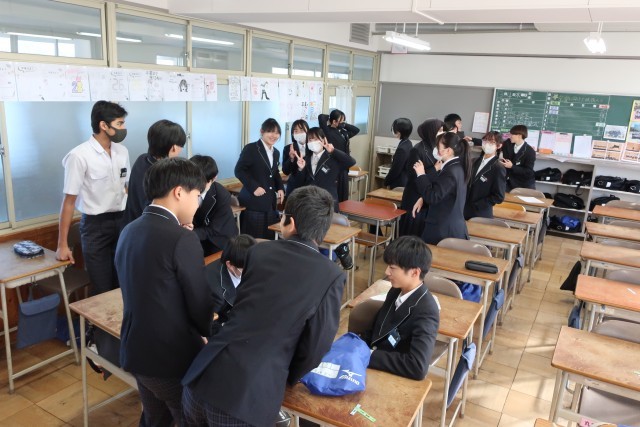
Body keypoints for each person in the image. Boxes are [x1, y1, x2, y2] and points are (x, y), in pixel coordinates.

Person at [182, 186, 345, 427]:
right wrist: (285, 375)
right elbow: (316, 346)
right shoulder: (330, 275)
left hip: (202, 375)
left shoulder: (259, 251)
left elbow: (242, 308)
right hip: (243, 398)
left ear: (290, 222)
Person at [116, 157, 216, 427]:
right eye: (197, 195)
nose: (198, 203)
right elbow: (199, 303)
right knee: (190, 419)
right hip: (169, 358)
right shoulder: (182, 238)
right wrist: (206, 331)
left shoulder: (129, 230)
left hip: (136, 350)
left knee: (154, 418)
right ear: (179, 192)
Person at [56, 100, 129, 372]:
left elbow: (125, 189)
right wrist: (62, 244)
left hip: (121, 221)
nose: (123, 128)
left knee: (123, 282)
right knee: (101, 287)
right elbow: (68, 203)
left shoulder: (122, 152)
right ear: (103, 125)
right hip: (95, 227)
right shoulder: (79, 156)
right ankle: (98, 346)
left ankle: (121, 344)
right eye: (119, 124)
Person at [360, 236, 440, 380]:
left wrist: (370, 355)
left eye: (392, 268)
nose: (387, 272)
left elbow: (417, 366)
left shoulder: (427, 311)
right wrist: (357, 345)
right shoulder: (396, 290)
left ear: (415, 272)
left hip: (394, 377)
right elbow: (378, 329)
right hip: (374, 365)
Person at [122, 119, 186, 228]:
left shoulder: (142, 159)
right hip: (146, 230)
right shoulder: (159, 174)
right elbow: (155, 211)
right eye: (181, 146)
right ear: (173, 147)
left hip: (130, 226)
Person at [413, 132, 471, 245]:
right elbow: (442, 192)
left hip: (443, 230)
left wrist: (421, 175)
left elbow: (433, 197)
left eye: (438, 147)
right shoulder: (456, 166)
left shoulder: (450, 171)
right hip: (448, 225)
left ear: (448, 150)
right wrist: (423, 199)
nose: (436, 150)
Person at [234, 118, 285, 239]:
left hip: (270, 203)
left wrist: (280, 188)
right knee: (253, 240)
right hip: (254, 202)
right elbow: (239, 170)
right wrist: (254, 187)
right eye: (270, 131)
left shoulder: (276, 152)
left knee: (269, 239)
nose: (274, 135)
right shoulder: (251, 149)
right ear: (262, 131)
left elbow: (275, 172)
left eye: (277, 133)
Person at [399, 118, 443, 237]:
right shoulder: (417, 150)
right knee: (411, 235)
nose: (442, 133)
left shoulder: (436, 148)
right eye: (439, 130)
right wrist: (434, 169)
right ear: (431, 131)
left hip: (427, 196)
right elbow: (414, 177)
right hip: (415, 197)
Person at [294, 127, 356, 212]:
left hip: (327, 201)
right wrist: (300, 169)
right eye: (310, 140)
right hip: (310, 201)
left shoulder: (332, 158)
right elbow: (300, 182)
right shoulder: (305, 160)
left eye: (316, 139)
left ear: (323, 140)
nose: (312, 142)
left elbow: (351, 162)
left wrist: (333, 151)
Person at [205, 234, 257, 335]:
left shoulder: (248, 266)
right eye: (246, 269)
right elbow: (210, 325)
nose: (252, 271)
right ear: (230, 265)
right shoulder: (214, 290)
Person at [190, 155, 239, 256]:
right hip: (197, 234)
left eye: (202, 182)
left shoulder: (222, 195)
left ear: (214, 178)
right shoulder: (184, 188)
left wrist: (188, 232)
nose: (196, 186)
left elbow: (214, 229)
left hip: (219, 238)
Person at [318, 110, 360, 201]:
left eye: (344, 121)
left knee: (343, 195)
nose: (343, 122)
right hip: (334, 165)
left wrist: (344, 125)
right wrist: (328, 117)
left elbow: (356, 130)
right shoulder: (327, 131)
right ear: (334, 121)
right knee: (334, 195)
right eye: (341, 120)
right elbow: (321, 117)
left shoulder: (343, 132)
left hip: (344, 165)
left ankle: (343, 209)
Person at [464, 131, 507, 219]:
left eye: (492, 142)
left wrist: (478, 205)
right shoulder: (474, 161)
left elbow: (499, 196)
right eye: (485, 140)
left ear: (499, 146)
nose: (487, 144)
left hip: (480, 213)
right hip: (464, 209)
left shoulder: (498, 168)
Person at [501, 124, 536, 191]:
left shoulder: (530, 152)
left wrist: (512, 166)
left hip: (524, 183)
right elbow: (497, 143)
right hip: (509, 181)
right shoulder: (507, 143)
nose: (510, 136)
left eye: (512, 134)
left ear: (519, 136)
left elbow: (528, 171)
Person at [282, 119, 309, 198]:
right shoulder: (288, 148)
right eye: (296, 131)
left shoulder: (313, 146)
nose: (299, 133)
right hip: (294, 188)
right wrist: (291, 158)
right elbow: (286, 171)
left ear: (308, 131)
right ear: (292, 134)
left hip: (310, 187)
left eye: (302, 130)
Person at [384, 118, 413, 189]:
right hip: (404, 181)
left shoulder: (402, 149)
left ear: (398, 132)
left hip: (398, 184)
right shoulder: (408, 143)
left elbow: (395, 170)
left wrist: (386, 182)